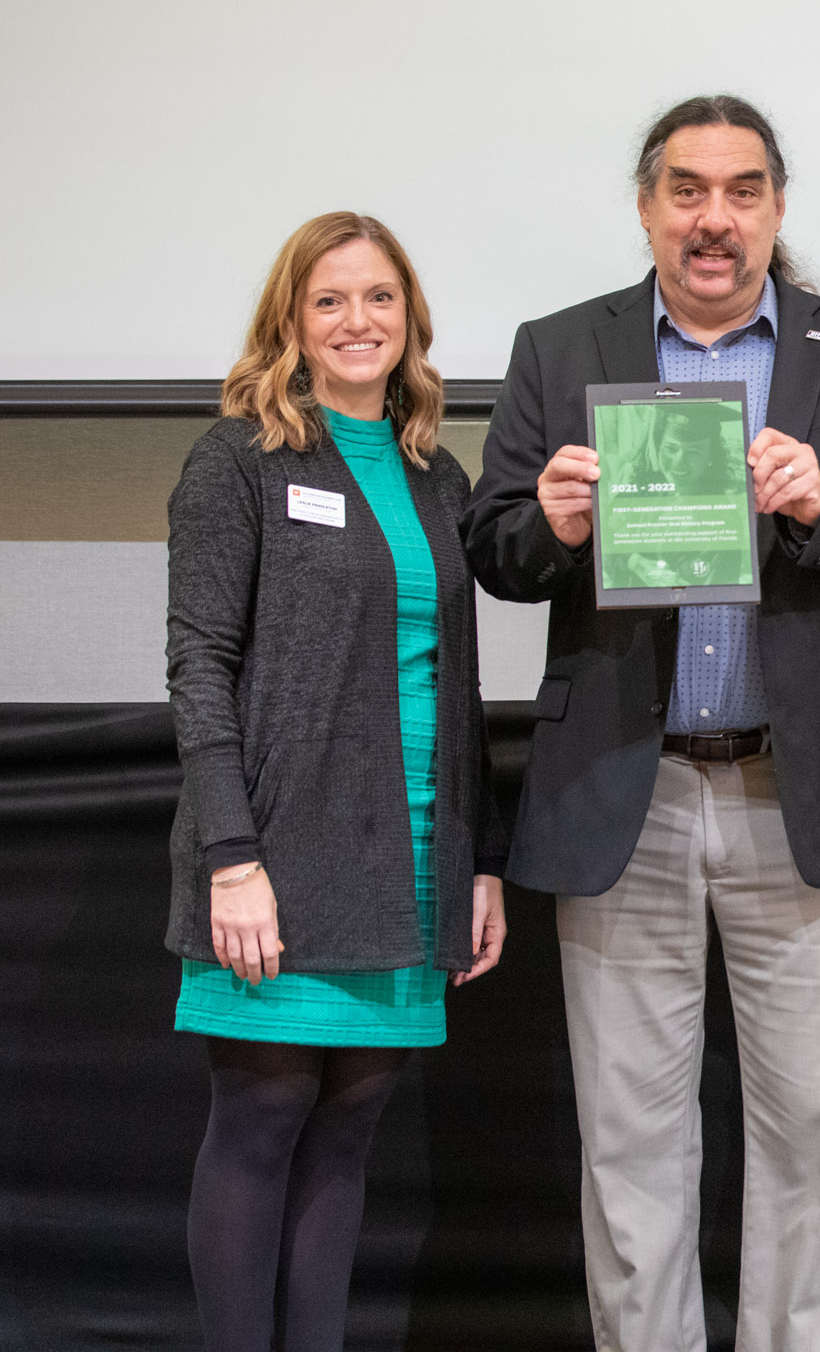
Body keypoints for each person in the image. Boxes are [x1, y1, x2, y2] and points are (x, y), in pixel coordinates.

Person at [460, 95, 820, 1352]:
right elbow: (493, 546)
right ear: (646, 208)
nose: (713, 220)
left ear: (777, 209)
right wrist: (554, 526)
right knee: (631, 1143)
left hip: (804, 796)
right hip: (620, 792)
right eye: (686, 191)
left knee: (815, 1137)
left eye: (741, 191)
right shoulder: (559, 347)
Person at [164, 211, 507, 1351]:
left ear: (408, 319)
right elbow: (198, 665)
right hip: (278, 847)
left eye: (378, 298)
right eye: (329, 301)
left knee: (351, 1126)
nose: (357, 321)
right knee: (262, 1117)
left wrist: (479, 860)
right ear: (292, 325)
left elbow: (456, 685)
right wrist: (231, 857)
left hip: (411, 847)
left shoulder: (436, 474)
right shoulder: (241, 459)